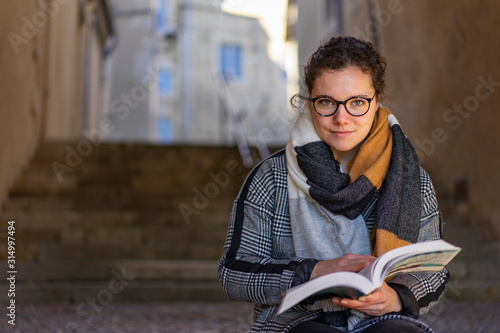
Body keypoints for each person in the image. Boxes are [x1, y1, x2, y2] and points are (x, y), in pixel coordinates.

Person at [218, 36, 449, 333]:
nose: (342, 118)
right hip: (296, 322)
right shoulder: (271, 178)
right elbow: (233, 273)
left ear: (376, 101)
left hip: (385, 322)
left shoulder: (411, 179)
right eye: (326, 102)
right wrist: (314, 271)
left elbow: (434, 270)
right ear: (309, 102)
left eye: (357, 103)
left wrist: (395, 297)